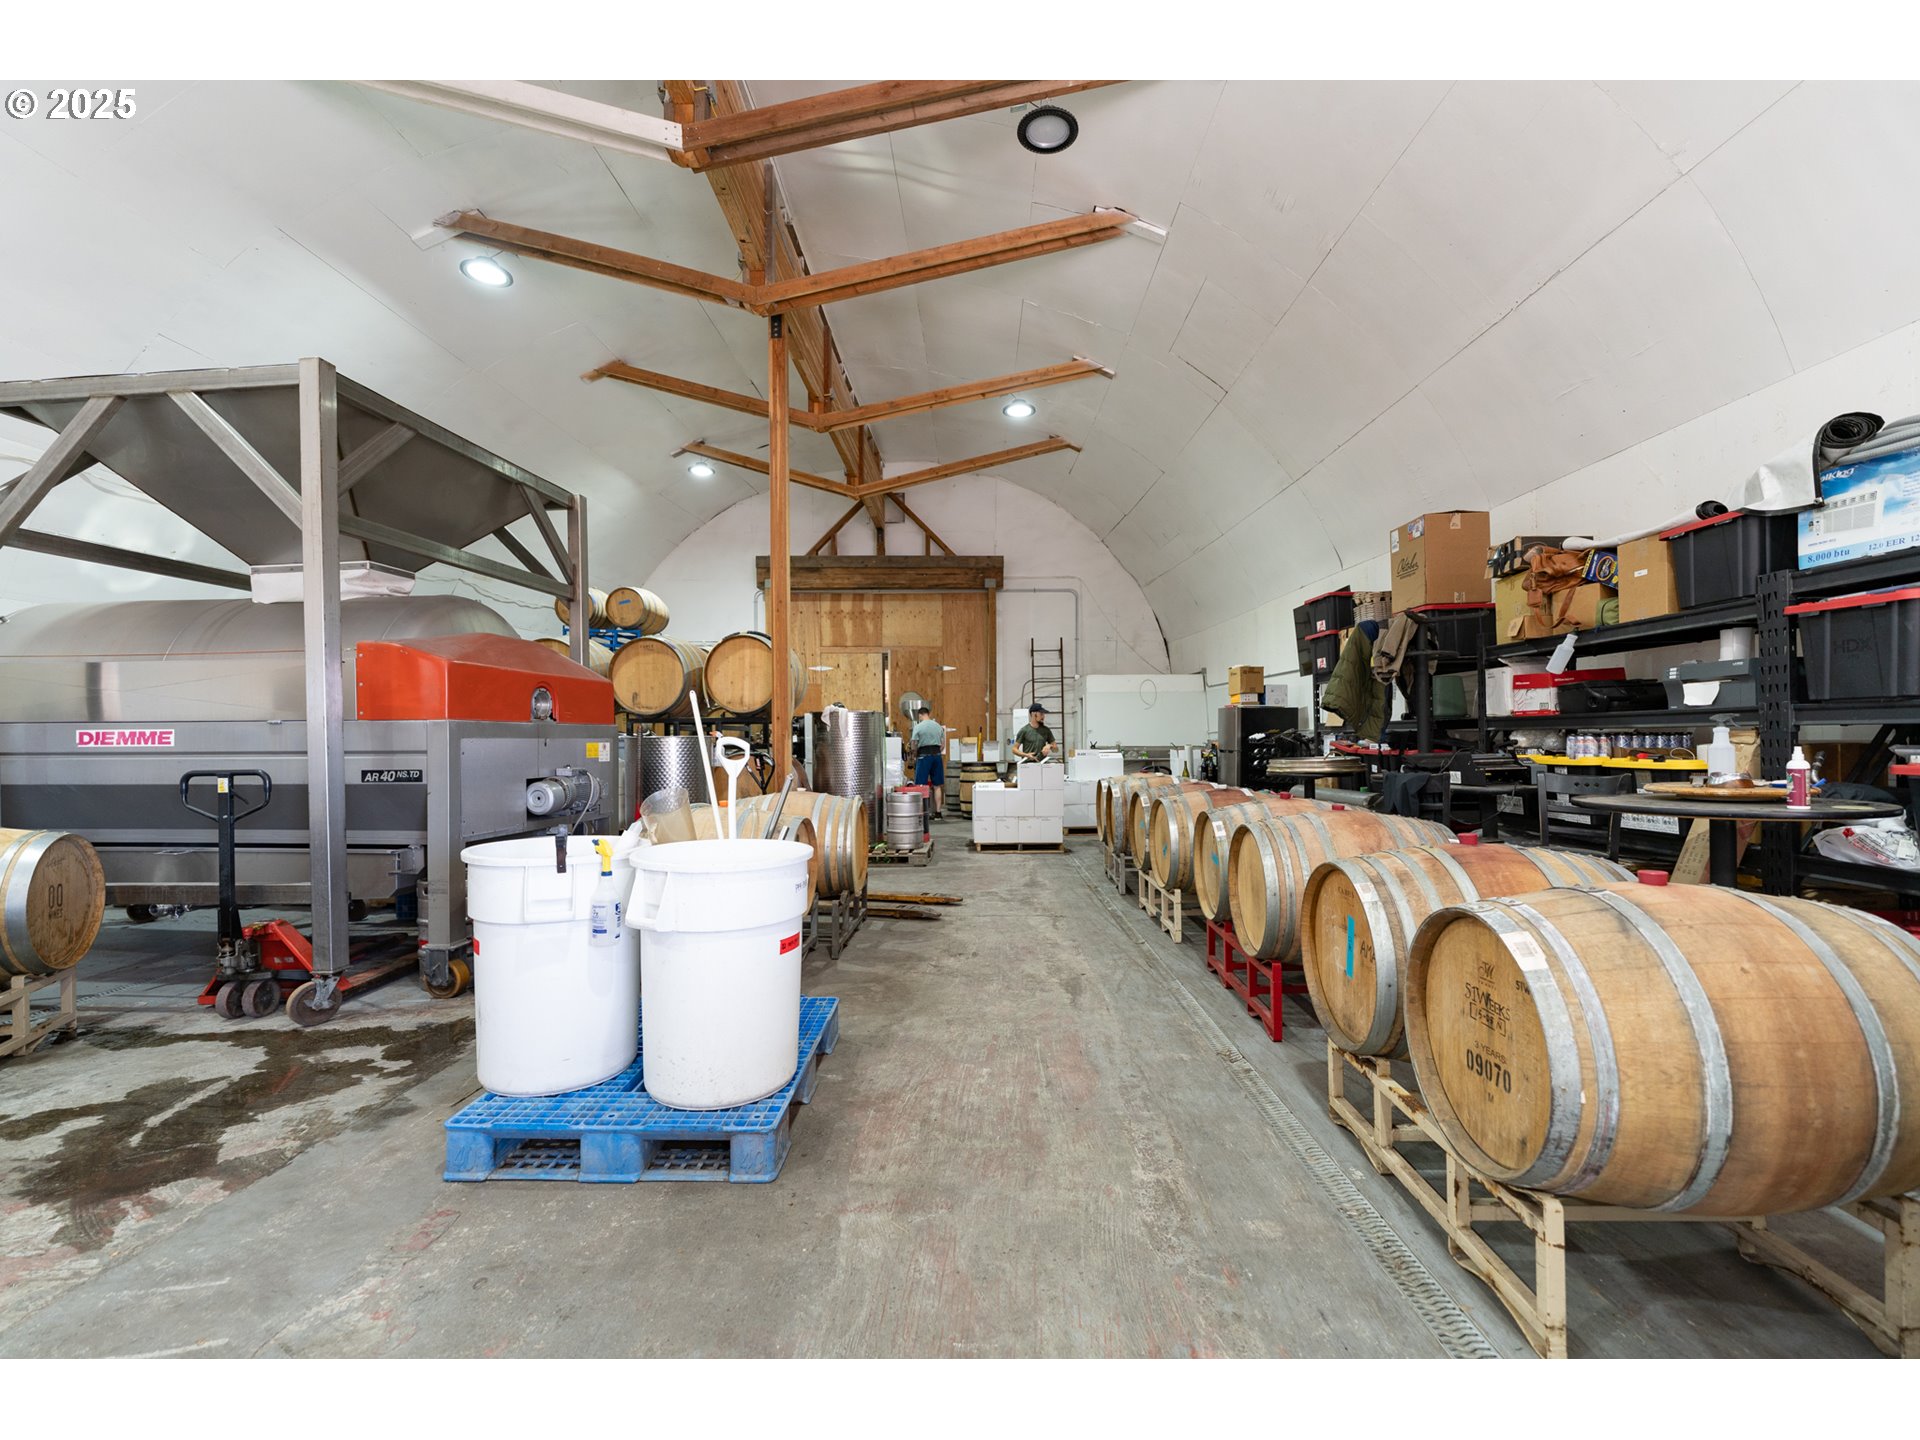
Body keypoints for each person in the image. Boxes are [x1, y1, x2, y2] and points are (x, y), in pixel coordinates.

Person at [909, 705, 947, 819]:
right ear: (928, 714)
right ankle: (938, 813)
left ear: (920, 715)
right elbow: (943, 744)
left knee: (921, 785)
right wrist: (936, 752)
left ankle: (923, 812)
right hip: (937, 756)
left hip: (923, 757)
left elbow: (913, 744)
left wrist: (914, 753)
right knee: (937, 786)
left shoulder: (918, 727)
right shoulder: (938, 726)